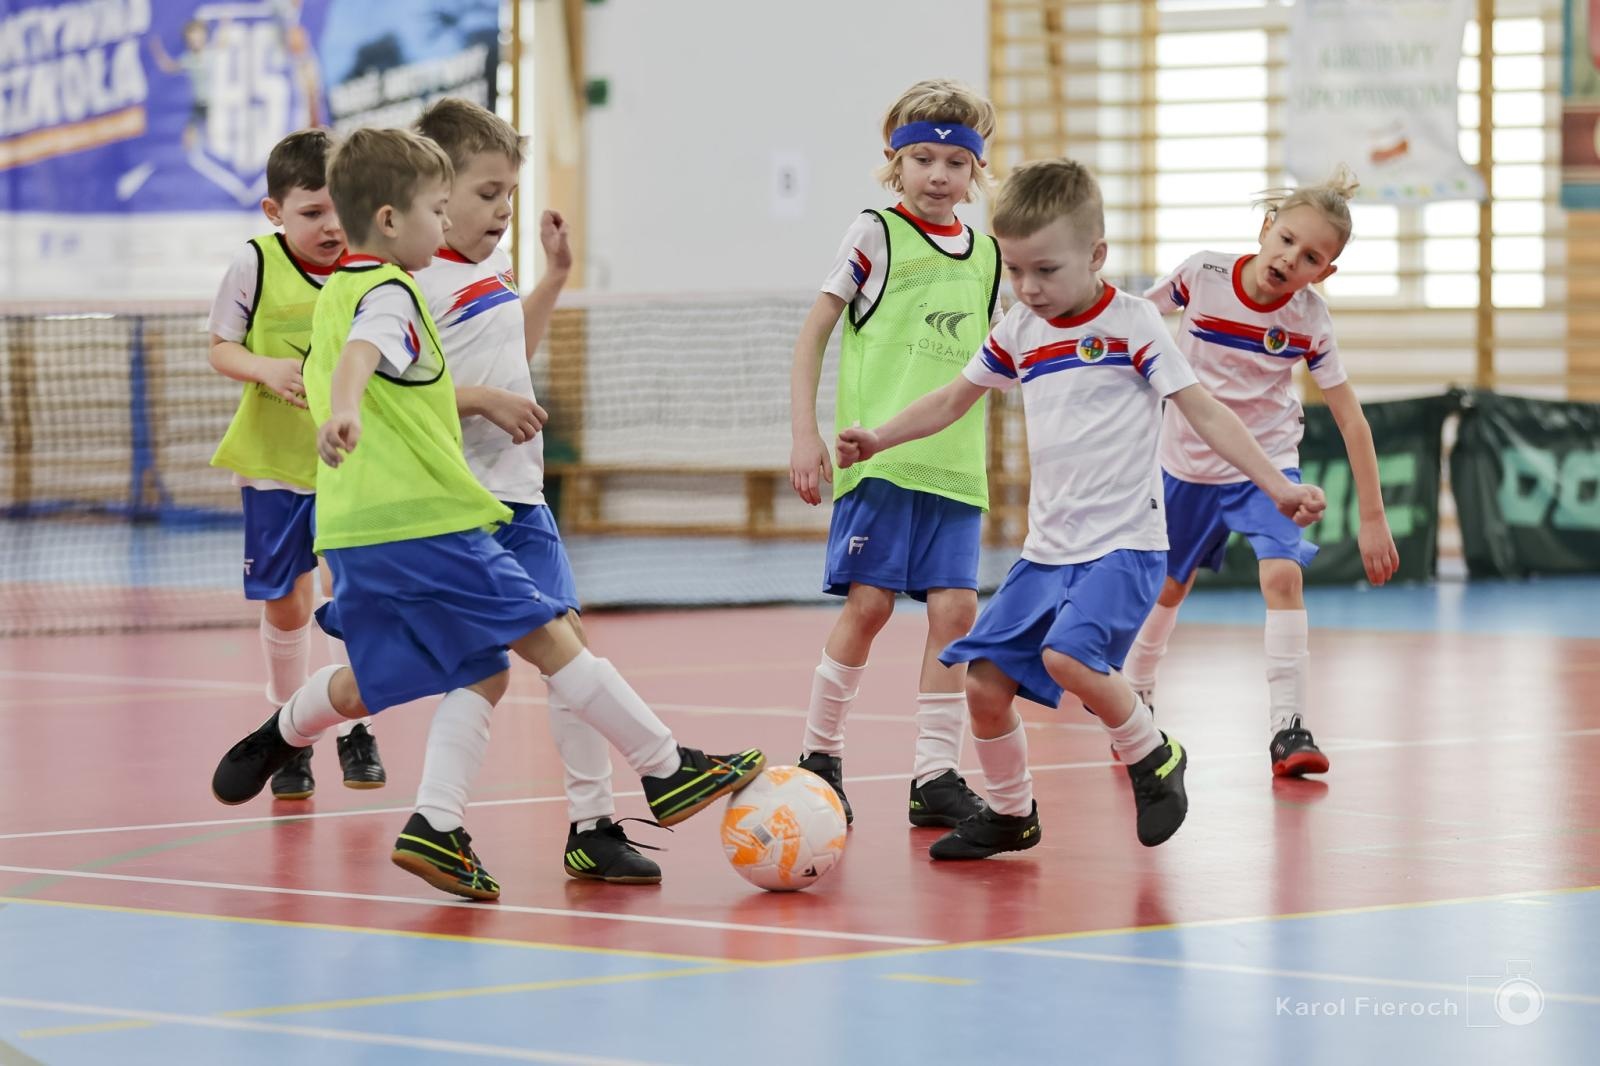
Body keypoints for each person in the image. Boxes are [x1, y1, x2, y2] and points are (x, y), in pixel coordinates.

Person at [210, 128, 765, 902]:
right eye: (441, 208)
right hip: (428, 519)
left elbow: (367, 360)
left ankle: (422, 816)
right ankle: (666, 767)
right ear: (394, 220)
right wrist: (342, 411)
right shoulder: (395, 291)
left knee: (465, 669)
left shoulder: (337, 287)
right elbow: (364, 354)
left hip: (355, 531)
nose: (445, 226)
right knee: (549, 636)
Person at [834, 159, 1327, 861]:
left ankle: (1153, 756)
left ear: (1097, 256)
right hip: (1046, 553)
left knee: (1070, 655)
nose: (1028, 288)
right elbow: (951, 400)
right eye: (1015, 271)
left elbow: (1205, 412)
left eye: (1045, 270)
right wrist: (879, 437)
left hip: (1124, 545)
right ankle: (1010, 812)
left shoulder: (1134, 323)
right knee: (983, 683)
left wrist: (1276, 486)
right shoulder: (1019, 330)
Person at [412, 96, 660, 883]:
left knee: (565, 653)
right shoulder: (411, 289)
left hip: (524, 498)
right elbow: (395, 397)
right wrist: (480, 400)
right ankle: (433, 812)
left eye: (508, 197)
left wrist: (554, 276)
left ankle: (591, 824)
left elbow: (509, 344)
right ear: (435, 192)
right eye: (487, 195)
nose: (501, 211)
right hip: (464, 502)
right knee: (491, 669)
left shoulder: (491, 264)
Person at [1121, 167, 1399, 779]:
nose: (1290, 259)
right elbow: (1133, 321)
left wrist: (1373, 518)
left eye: (1311, 257)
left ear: (1323, 274)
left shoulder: (1309, 320)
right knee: (1170, 586)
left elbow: (1353, 421)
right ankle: (1136, 690)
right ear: (1266, 227)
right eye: (1287, 240)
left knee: (1282, 577)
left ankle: (1288, 726)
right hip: (1186, 462)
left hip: (1267, 463)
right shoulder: (1204, 275)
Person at [788, 79, 1000, 829]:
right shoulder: (876, 232)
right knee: (870, 605)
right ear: (895, 164)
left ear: (976, 171)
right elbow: (814, 330)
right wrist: (804, 432)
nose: (937, 175)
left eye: (953, 161)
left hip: (956, 465)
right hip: (877, 456)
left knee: (958, 609)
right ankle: (820, 753)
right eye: (921, 159)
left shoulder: (990, 257)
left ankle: (936, 774)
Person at [206, 128, 385, 800]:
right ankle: (289, 733)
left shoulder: (372, 267)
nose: (332, 225)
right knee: (288, 606)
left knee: (357, 596)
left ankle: (352, 726)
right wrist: (263, 367)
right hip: (275, 467)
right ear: (274, 212)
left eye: (341, 207)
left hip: (354, 467)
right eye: (313, 212)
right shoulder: (254, 265)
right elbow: (221, 347)